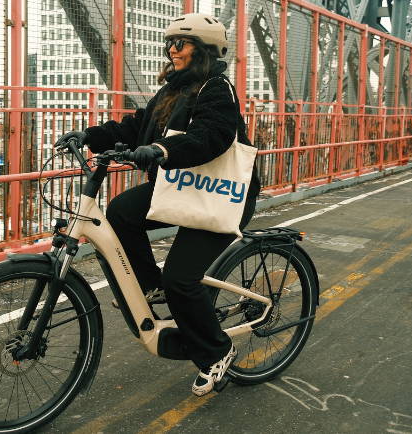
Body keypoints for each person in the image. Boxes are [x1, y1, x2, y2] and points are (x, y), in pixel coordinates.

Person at [57, 13, 261, 396]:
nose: (172, 50)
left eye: (180, 43)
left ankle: (217, 352)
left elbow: (211, 136)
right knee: (120, 212)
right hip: (182, 186)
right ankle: (152, 287)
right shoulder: (172, 90)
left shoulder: (217, 89)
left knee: (181, 279)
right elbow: (137, 127)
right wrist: (90, 136)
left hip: (221, 195)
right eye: (169, 44)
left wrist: (163, 150)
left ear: (203, 49)